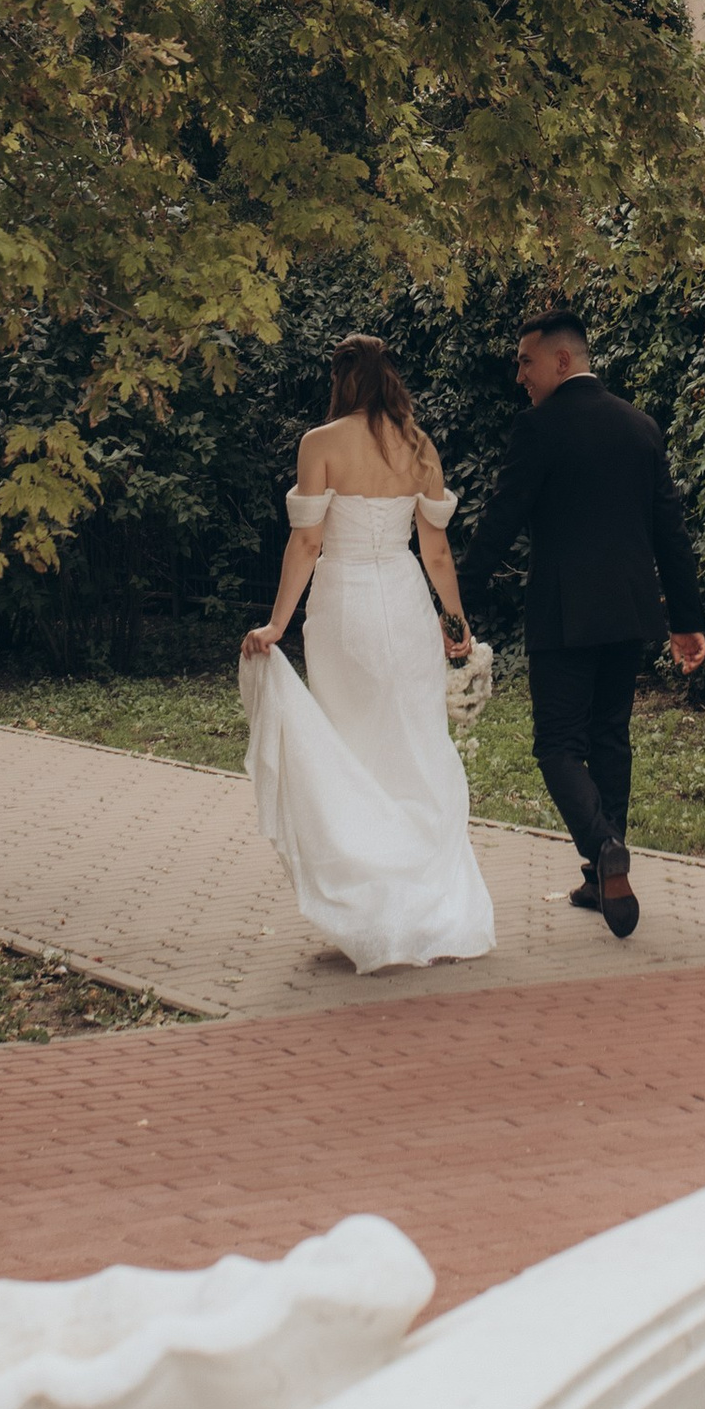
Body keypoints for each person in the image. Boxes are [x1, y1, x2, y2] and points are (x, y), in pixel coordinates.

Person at [238, 336, 495, 975]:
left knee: (355, 740)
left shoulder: (319, 444)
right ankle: (430, 906)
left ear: (340, 379)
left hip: (345, 605)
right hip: (405, 601)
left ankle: (371, 905)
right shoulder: (419, 446)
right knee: (413, 737)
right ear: (390, 378)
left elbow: (305, 544)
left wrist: (276, 624)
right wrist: (455, 621)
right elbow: (435, 551)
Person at [465, 307, 705, 942]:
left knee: (556, 745)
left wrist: (455, 598)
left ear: (561, 360)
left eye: (526, 361)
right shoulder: (641, 426)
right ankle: (604, 873)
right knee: (610, 738)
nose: (519, 374)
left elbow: (501, 519)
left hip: (565, 615)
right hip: (629, 613)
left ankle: (603, 849)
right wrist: (686, 619)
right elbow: (669, 533)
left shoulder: (538, 430)